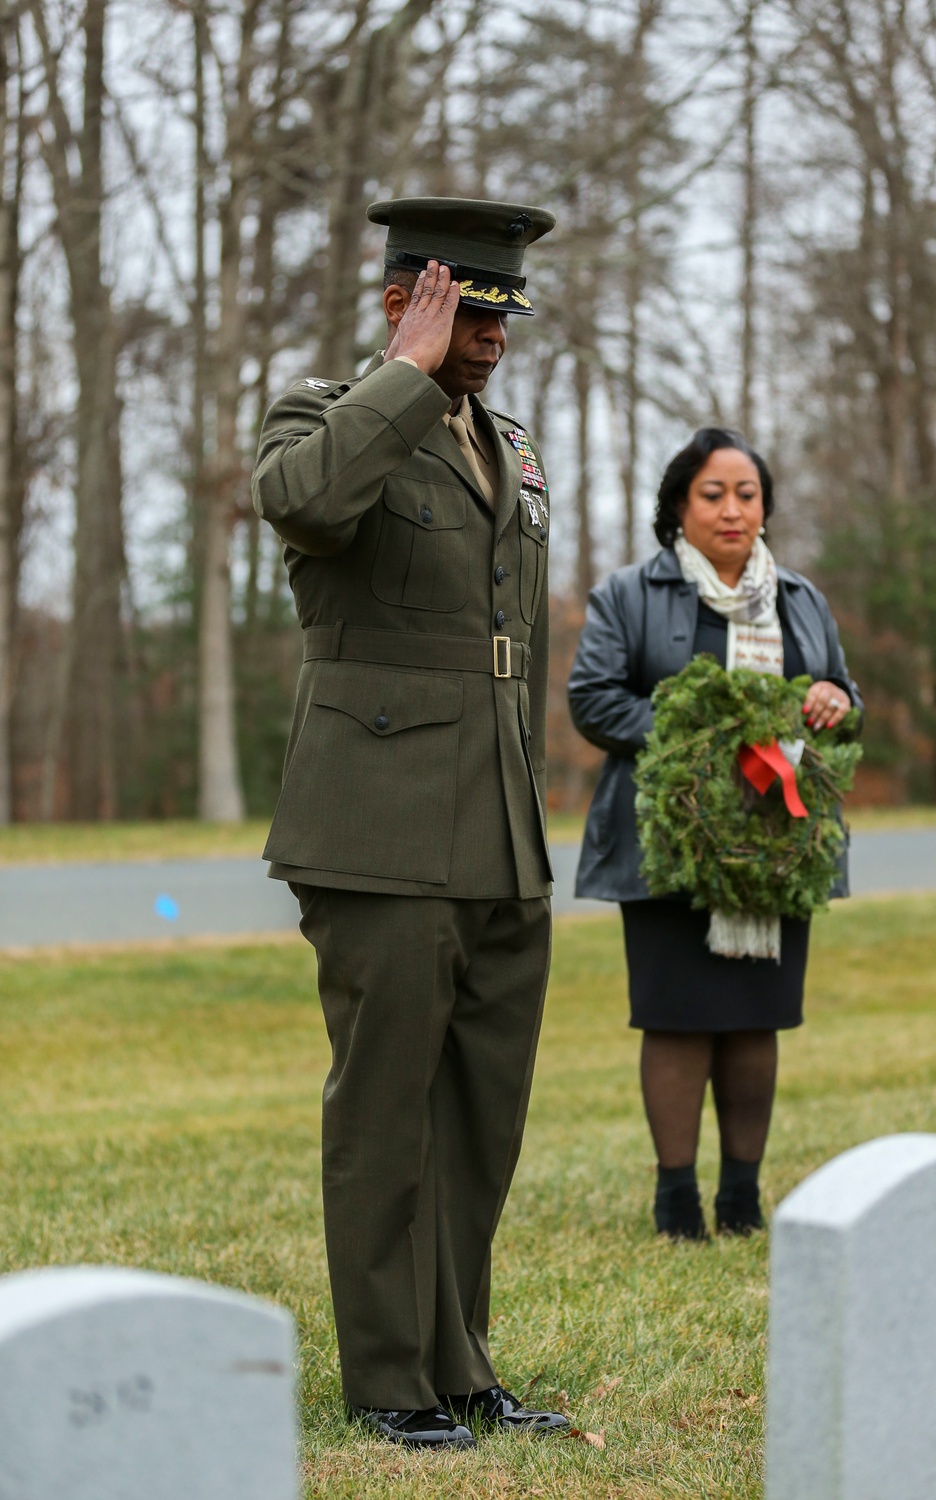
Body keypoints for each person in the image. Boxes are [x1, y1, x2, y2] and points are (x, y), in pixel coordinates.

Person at [251, 197, 572, 1448]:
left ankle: (460, 1364)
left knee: (479, 1112)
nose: (490, 337)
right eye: (468, 311)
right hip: (377, 822)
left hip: (496, 821)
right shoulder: (324, 414)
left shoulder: (513, 445)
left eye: (503, 315)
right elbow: (307, 503)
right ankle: (389, 1381)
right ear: (403, 300)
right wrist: (401, 377)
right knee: (385, 1114)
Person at [567, 428, 863, 1241]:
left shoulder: (799, 597)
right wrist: (703, 742)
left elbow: (843, 696)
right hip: (669, 840)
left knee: (753, 1018)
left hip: (776, 844)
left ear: (765, 507)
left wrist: (836, 698)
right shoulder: (629, 593)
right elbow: (593, 700)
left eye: (747, 494)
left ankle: (741, 1197)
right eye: (713, 493)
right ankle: (675, 1202)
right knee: (677, 1016)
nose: (733, 509)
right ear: (678, 507)